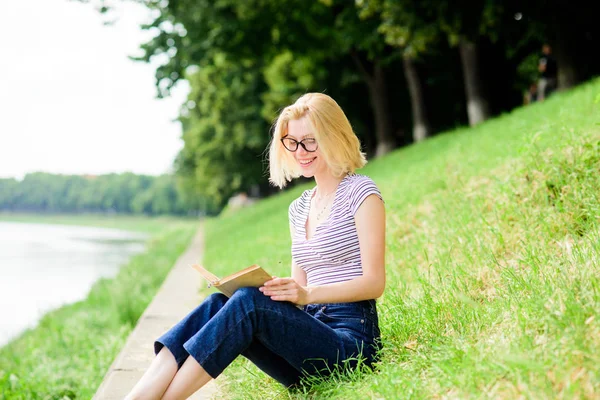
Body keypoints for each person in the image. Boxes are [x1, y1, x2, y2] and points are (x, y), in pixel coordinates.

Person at [125, 93, 386, 399]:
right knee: (219, 303)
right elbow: (298, 294)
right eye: (292, 142)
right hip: (306, 346)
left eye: (310, 141)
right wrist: (278, 291)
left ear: (332, 136)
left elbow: (374, 283)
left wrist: (307, 294)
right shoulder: (299, 208)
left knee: (248, 303)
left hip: (350, 347)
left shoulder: (362, 193)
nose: (300, 151)